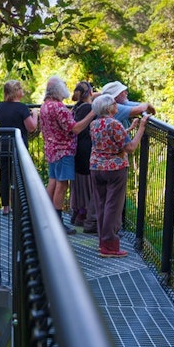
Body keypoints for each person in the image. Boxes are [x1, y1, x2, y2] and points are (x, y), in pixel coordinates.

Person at [89, 94, 150, 258]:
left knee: (101, 204)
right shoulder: (114, 124)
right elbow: (129, 147)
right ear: (109, 108)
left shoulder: (94, 124)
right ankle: (110, 246)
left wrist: (129, 130)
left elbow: (109, 139)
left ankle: (103, 242)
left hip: (96, 167)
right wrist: (142, 127)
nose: (117, 105)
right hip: (115, 169)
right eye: (114, 103)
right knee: (113, 207)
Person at [38, 76, 95, 234]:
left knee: (53, 181)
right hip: (64, 151)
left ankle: (47, 217)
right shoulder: (59, 108)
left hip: (51, 149)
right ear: (58, 90)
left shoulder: (46, 106)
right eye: (63, 85)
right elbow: (75, 129)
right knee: (62, 185)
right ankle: (57, 222)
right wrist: (92, 114)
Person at [0, 80, 39, 215]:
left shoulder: (1, 106)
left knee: (4, 175)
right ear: (16, 91)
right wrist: (34, 113)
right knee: (19, 175)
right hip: (18, 146)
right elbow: (31, 127)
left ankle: (5, 206)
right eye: (20, 88)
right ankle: (19, 206)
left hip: (3, 144)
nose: (23, 90)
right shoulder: (22, 108)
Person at [69, 81, 98, 233]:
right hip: (86, 148)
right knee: (87, 182)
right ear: (90, 93)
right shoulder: (88, 108)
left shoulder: (77, 106)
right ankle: (85, 214)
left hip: (77, 148)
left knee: (79, 181)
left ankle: (78, 213)